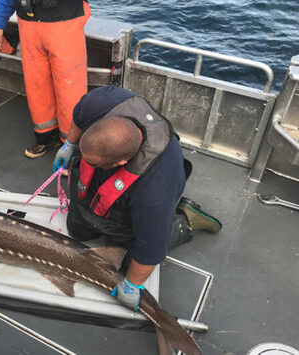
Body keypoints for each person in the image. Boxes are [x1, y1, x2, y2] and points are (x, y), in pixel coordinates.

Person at [57, 85, 222, 310]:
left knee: (128, 265)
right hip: (104, 193)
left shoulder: (155, 186)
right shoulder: (102, 101)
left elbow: (151, 247)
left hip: (142, 206)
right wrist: (70, 144)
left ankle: (182, 221)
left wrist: (132, 285)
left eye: (92, 161)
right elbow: (79, 113)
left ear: (120, 164)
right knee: (76, 232)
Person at [0, 0, 90, 159]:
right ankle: (46, 137)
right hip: (29, 26)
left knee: (70, 88)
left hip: (65, 23)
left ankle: (72, 145)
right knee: (36, 84)